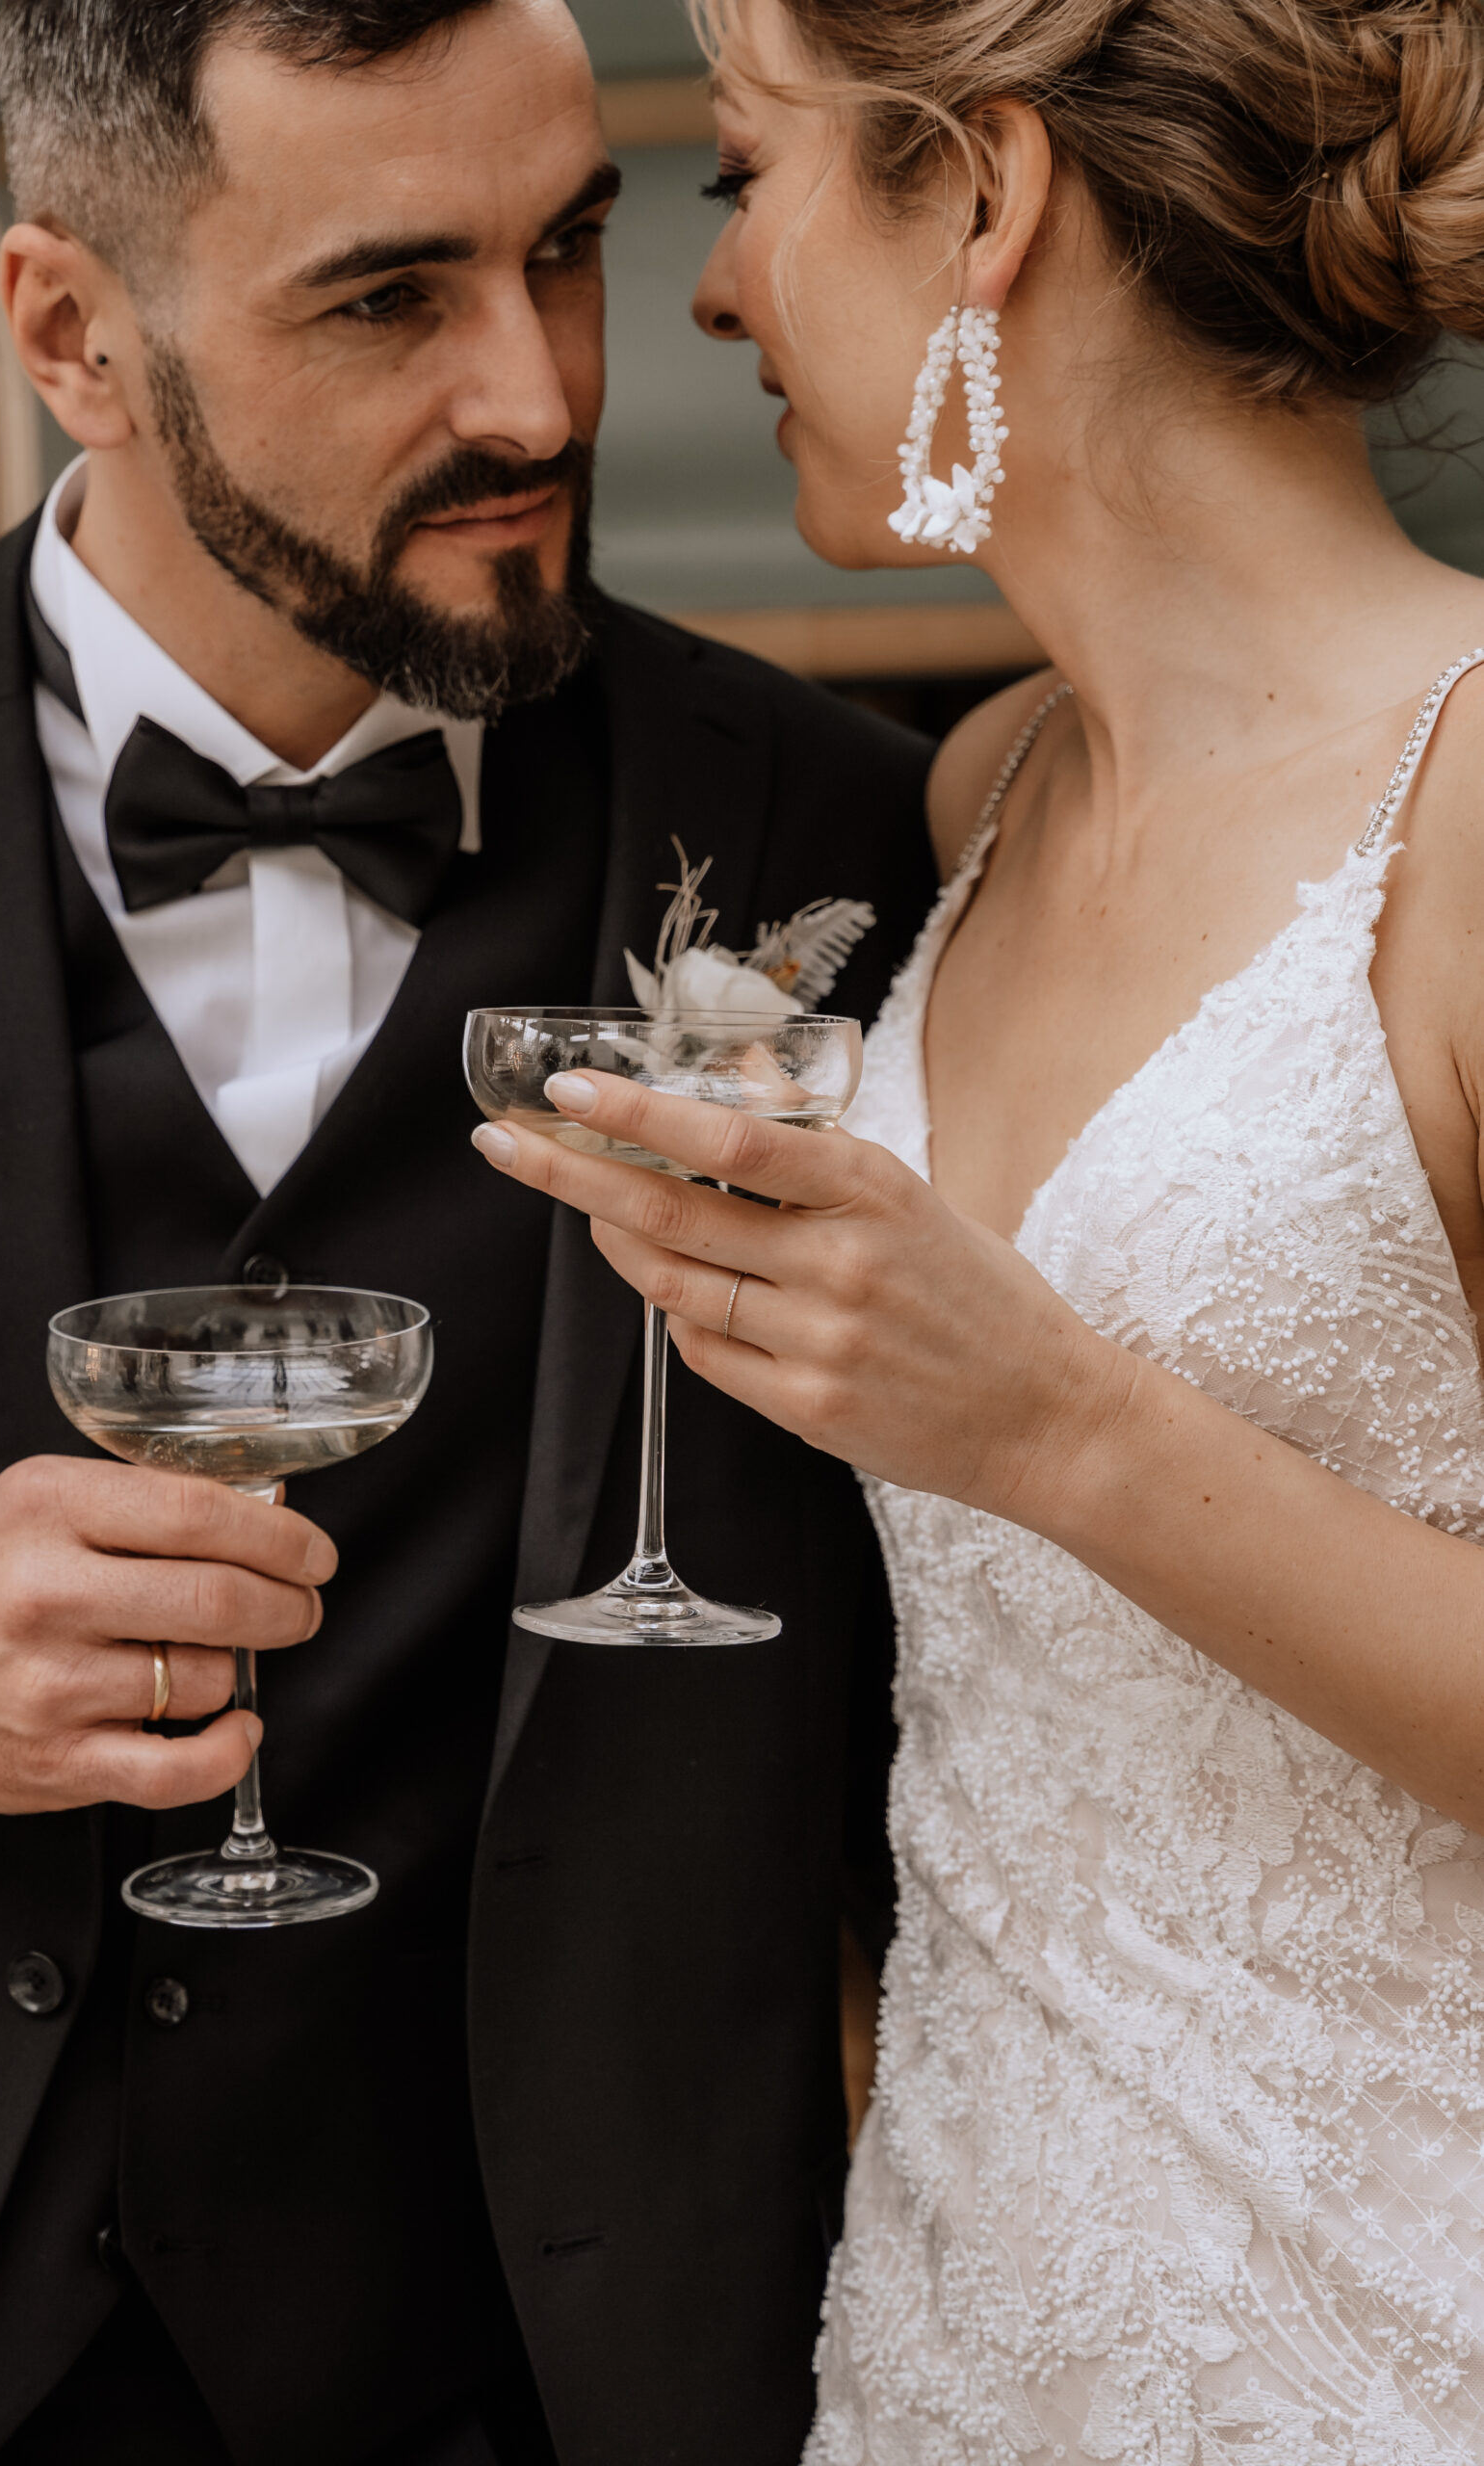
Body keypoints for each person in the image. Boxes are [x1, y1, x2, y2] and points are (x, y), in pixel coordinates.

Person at [0, 3, 940, 2460]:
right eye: (385, 296)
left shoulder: (844, 845)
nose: (544, 397)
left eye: (567, 248)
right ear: (66, 334)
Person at [468, 0, 1484, 2454]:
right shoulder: (975, 793)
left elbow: (1041, 1431)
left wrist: (1041, 1420)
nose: (708, 298)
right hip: (951, 2306)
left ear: (985, 196)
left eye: (735, 173)